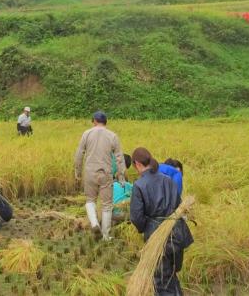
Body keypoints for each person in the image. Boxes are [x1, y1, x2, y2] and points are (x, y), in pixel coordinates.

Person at [129, 147, 193, 296]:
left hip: (158, 239)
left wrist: (147, 227)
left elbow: (136, 217)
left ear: (137, 164)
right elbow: (179, 205)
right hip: (177, 234)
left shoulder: (139, 185)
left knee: (161, 282)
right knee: (171, 276)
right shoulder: (168, 180)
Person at [74, 110, 125, 240]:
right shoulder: (112, 136)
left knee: (90, 200)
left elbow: (79, 154)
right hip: (105, 173)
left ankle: (95, 223)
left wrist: (78, 172)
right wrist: (121, 176)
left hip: (90, 172)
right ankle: (106, 236)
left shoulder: (87, 133)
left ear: (95, 121)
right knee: (107, 205)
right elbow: (119, 157)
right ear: (105, 122)